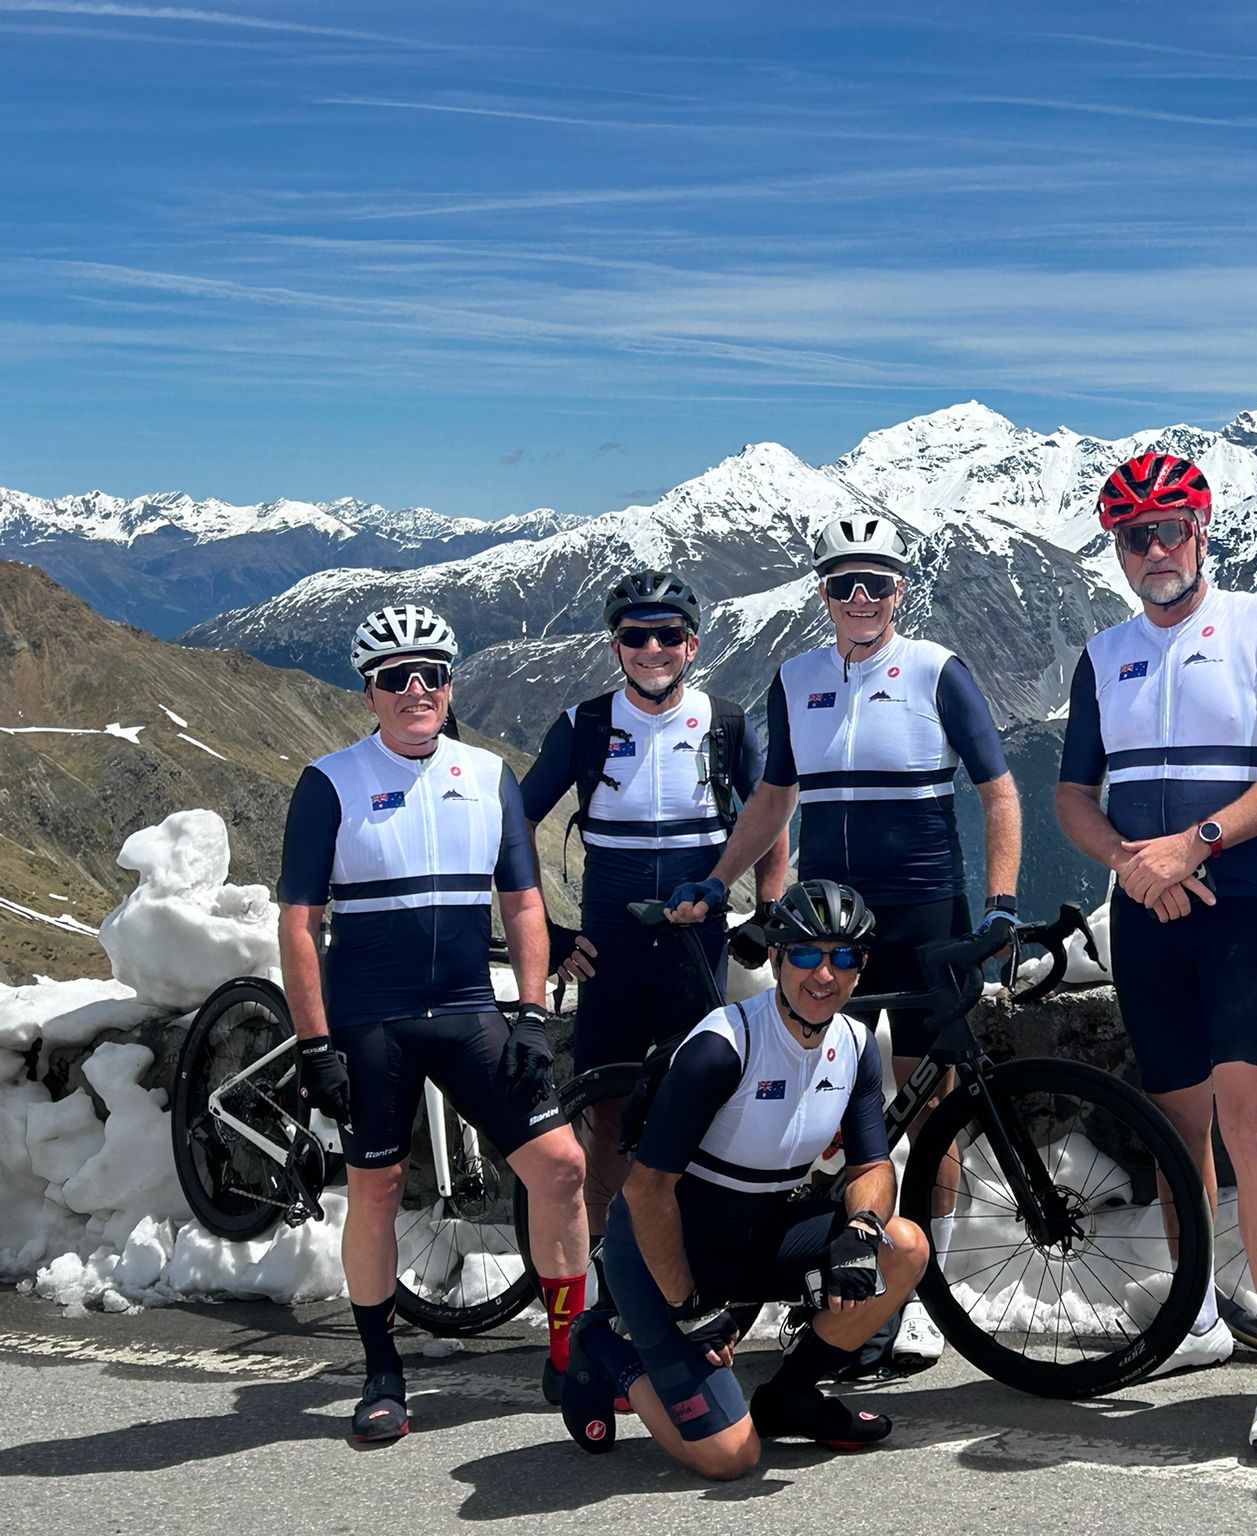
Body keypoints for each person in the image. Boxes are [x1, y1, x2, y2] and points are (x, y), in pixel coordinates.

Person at [663, 513, 1021, 1373]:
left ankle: (918, 1292)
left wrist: (1001, 905)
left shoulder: (936, 670)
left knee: (929, 1104)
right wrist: (719, 879)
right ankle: (820, 1269)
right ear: (822, 593)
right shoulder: (797, 678)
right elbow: (773, 799)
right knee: (817, 1100)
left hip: (925, 912)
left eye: (877, 583)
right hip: (832, 922)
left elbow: (1000, 793)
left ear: (901, 590)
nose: (860, 598)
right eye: (842, 584)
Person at [1053, 452, 1257, 1453]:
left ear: (1201, 531)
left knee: (1254, 1129)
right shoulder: (1104, 653)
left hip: (1242, 897)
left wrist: (1195, 844)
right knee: (1178, 1134)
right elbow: (1071, 796)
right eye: (1133, 536)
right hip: (1146, 907)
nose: (1153, 550)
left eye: (1168, 528)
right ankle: (1198, 1319)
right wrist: (1132, 862)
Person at [278, 603, 589, 1441]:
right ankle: (382, 1370)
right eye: (396, 678)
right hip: (369, 1022)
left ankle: (569, 1354)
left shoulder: (487, 776)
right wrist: (315, 1044)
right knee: (376, 1190)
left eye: (433, 675)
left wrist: (531, 1012)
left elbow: (523, 902)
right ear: (369, 692)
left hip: (465, 1012)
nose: (416, 690)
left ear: (450, 686)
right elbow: (299, 926)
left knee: (561, 1169)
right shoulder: (329, 782)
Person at [557, 879, 930, 1478]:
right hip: (662, 1254)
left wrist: (861, 1229)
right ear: (777, 958)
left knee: (903, 1245)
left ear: (861, 967)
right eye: (805, 954)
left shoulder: (856, 1045)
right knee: (730, 1458)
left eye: (844, 957)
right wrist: (688, 1306)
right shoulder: (724, 1046)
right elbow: (646, 1191)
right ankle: (605, 1345)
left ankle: (791, 1396)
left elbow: (872, 1166)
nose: (824, 975)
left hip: (755, 1237)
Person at [519, 569, 787, 1265]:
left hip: (697, 944)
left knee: (698, 1104)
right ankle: (607, 1266)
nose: (652, 649)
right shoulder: (584, 725)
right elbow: (514, 825)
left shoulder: (727, 723)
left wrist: (768, 909)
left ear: (692, 644)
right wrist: (547, 932)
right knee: (606, 1112)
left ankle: (686, 1260)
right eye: (636, 636)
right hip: (609, 943)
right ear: (616, 646)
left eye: (668, 635)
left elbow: (770, 818)